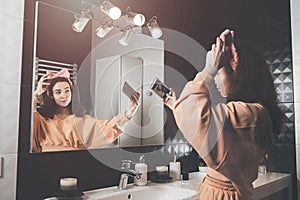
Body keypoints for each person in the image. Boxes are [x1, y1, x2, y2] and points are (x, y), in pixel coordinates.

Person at [164, 29, 284, 200]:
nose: (216, 80)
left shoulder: (253, 115)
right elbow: (200, 123)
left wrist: (209, 68)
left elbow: (198, 120)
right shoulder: (253, 113)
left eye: (219, 72)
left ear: (234, 64)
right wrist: (177, 105)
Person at [32, 68, 140, 152]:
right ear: (51, 95)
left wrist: (129, 112)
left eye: (67, 91)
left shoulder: (82, 120)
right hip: (46, 164)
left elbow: (107, 128)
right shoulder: (40, 119)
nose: (64, 96)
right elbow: (23, 120)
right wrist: (36, 93)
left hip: (76, 164)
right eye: (58, 92)